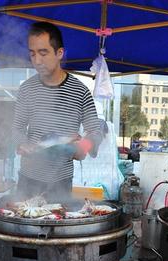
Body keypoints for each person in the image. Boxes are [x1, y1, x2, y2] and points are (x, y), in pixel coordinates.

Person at [12, 21, 102, 200]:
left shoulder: (80, 91)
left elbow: (95, 131)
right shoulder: (27, 89)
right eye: (32, 54)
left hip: (61, 182)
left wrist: (82, 147)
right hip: (28, 179)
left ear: (59, 53)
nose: (37, 61)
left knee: (57, 224)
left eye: (43, 53)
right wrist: (21, 143)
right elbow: (16, 128)